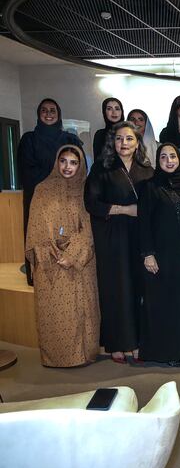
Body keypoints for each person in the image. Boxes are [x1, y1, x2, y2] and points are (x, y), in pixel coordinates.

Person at [84, 121, 153, 363]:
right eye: (119, 139)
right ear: (113, 142)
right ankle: (116, 343)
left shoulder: (147, 170)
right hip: (111, 235)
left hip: (139, 235)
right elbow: (91, 203)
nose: (124, 143)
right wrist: (124, 210)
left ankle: (136, 342)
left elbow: (153, 204)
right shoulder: (102, 169)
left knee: (137, 288)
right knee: (115, 288)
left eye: (129, 139)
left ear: (137, 143)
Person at [25, 146, 100, 367]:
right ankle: (56, 357)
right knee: (55, 316)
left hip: (80, 262)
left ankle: (83, 355)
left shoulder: (87, 189)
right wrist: (53, 253)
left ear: (80, 165)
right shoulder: (43, 190)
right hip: (50, 262)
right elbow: (35, 227)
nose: (68, 167)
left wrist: (73, 255)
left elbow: (90, 226)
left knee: (82, 310)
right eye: (63, 161)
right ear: (57, 163)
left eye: (73, 162)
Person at [139, 144, 180, 366]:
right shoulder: (150, 187)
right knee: (165, 305)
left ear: (179, 159)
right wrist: (148, 254)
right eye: (164, 157)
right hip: (162, 258)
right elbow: (144, 223)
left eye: (172, 156)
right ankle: (168, 353)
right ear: (158, 161)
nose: (169, 160)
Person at [18, 98, 82, 285]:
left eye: (52, 110)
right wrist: (54, 181)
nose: (48, 114)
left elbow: (77, 167)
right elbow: (27, 171)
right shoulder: (29, 139)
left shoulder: (69, 139)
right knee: (40, 235)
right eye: (44, 110)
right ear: (38, 114)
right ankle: (38, 276)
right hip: (39, 198)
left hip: (67, 197)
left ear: (59, 114)